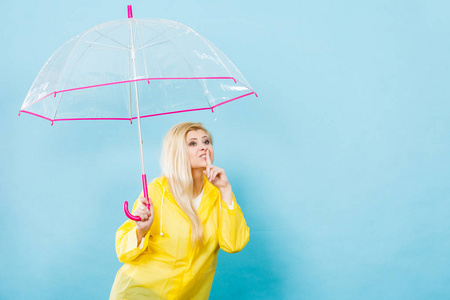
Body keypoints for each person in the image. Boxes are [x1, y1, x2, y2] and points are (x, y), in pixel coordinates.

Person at [110, 122, 250, 299]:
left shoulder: (217, 194)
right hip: (140, 292)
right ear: (178, 152)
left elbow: (234, 244)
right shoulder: (157, 191)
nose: (203, 148)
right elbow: (122, 250)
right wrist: (141, 230)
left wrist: (226, 190)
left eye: (206, 142)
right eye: (193, 143)